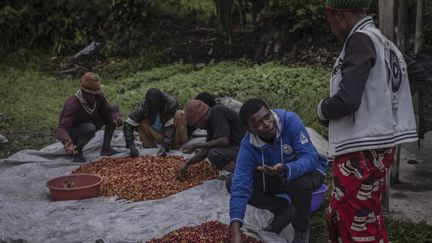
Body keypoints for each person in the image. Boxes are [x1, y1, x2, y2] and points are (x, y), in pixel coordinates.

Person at [317, 1, 418, 242]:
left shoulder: (360, 40)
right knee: (365, 215)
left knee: (354, 222)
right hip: (379, 143)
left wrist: (322, 109)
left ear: (337, 14)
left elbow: (347, 101)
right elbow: (414, 75)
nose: (332, 26)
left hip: (361, 148)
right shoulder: (382, 40)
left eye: (330, 19)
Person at [228, 99, 327, 243]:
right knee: (232, 183)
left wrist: (287, 168)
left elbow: (310, 158)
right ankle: (283, 208)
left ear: (271, 112)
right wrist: (235, 232)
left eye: (267, 117)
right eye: (258, 124)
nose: (267, 124)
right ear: (250, 129)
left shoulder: (289, 121)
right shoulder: (248, 146)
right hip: (278, 175)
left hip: (310, 172)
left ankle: (301, 229)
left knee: (299, 183)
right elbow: (240, 185)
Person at [57, 72, 123, 162]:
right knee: (89, 128)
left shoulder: (98, 96)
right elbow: (63, 128)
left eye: (95, 94)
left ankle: (106, 148)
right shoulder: (72, 104)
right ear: (83, 91)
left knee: (114, 110)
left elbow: (109, 109)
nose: (93, 97)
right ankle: (77, 152)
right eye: (90, 94)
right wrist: (66, 140)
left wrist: (116, 116)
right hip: (74, 133)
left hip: (90, 123)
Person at [176, 100, 246, 180]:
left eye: (196, 124)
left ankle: (244, 174)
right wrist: (187, 163)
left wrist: (196, 145)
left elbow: (224, 141)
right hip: (240, 149)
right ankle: (240, 172)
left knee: (214, 153)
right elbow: (205, 150)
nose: (198, 128)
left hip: (248, 150)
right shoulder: (211, 124)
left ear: (201, 117)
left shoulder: (218, 111)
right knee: (211, 150)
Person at [123, 88, 189, 157]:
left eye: (155, 107)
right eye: (151, 107)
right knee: (141, 122)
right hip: (161, 137)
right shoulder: (144, 106)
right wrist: (131, 145)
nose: (153, 110)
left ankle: (183, 146)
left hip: (175, 136)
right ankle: (149, 148)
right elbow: (128, 124)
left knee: (179, 114)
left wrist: (165, 146)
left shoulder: (170, 103)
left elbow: (170, 127)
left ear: (161, 102)